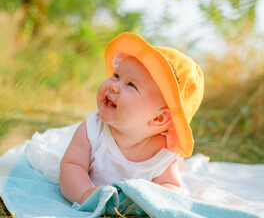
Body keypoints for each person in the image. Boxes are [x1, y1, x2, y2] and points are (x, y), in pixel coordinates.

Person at [59, 32, 204, 204]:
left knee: (177, 163)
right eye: (116, 76)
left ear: (158, 119)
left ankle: (181, 163)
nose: (114, 86)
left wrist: (150, 203)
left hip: (166, 158)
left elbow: (171, 187)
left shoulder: (163, 153)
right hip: (92, 189)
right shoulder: (92, 129)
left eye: (131, 85)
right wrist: (85, 194)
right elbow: (71, 166)